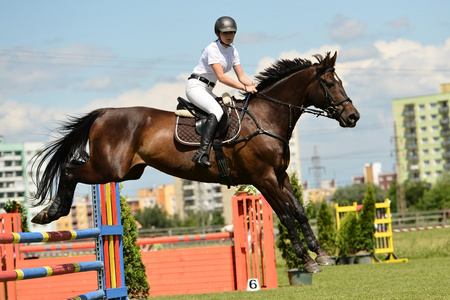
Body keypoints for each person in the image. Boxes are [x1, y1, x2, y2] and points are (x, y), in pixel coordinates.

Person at [186, 16, 257, 168]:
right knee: (217, 111)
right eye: (226, 33)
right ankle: (202, 152)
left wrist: (254, 86)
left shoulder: (233, 51)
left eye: (232, 32)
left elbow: (242, 76)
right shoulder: (212, 49)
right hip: (196, 87)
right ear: (218, 34)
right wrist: (245, 88)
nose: (229, 36)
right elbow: (222, 77)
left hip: (207, 89)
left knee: (227, 110)